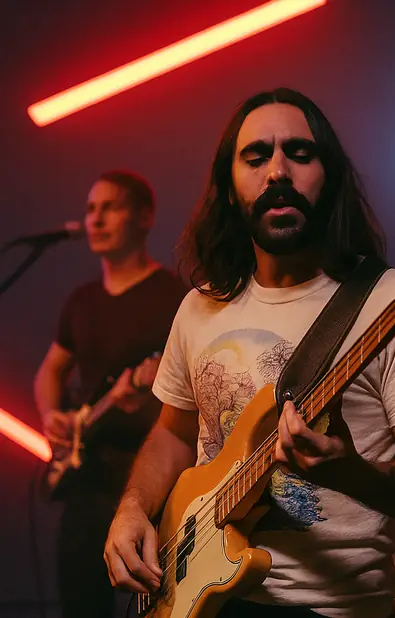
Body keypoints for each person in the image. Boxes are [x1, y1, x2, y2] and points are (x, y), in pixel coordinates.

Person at [102, 87, 395, 618]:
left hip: (334, 608)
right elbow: (172, 434)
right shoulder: (200, 306)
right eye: (255, 157)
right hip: (202, 599)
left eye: (300, 153)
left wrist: (352, 473)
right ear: (229, 188)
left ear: (330, 177)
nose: (277, 171)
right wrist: (133, 508)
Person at [34, 169, 189, 618]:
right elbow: (49, 372)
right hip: (87, 484)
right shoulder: (82, 300)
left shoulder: (173, 296)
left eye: (110, 207)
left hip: (153, 483)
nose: (95, 219)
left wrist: (151, 394)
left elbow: (194, 388)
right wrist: (52, 417)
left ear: (144, 217)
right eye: (90, 210)